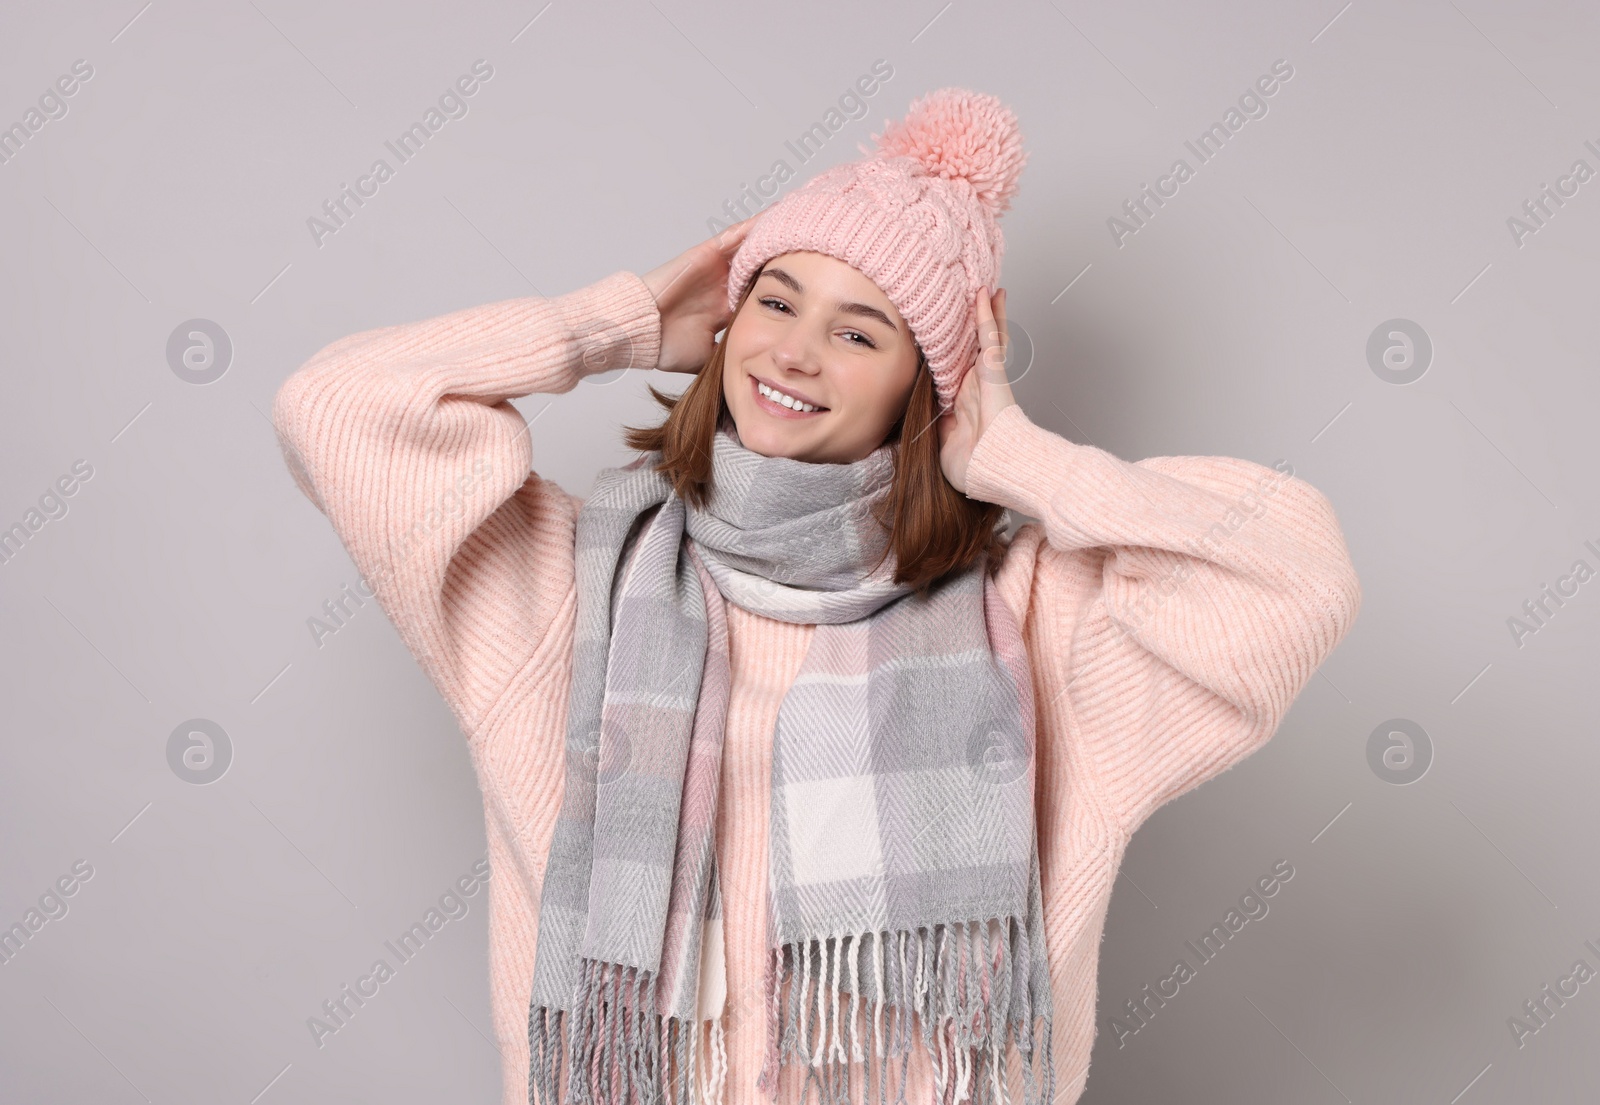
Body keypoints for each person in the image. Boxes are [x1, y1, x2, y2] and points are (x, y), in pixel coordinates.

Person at [271, 88, 1360, 1105]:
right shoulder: (568, 583)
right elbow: (338, 406)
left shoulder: (1035, 620)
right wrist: (622, 322)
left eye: (858, 331)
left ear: (924, 388)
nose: (793, 351)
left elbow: (1288, 570)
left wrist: (1022, 461)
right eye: (774, 300)